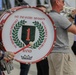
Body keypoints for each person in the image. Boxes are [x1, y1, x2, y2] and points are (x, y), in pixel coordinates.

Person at [47, 0, 76, 75]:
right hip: (61, 53)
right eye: (63, 1)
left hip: (52, 52)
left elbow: (64, 26)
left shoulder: (49, 16)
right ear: (57, 2)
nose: (64, 4)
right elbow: (74, 30)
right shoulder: (59, 18)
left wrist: (72, 16)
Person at [36, 5, 49, 75]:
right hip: (39, 53)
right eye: (40, 11)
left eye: (44, 12)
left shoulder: (49, 23)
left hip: (48, 53)